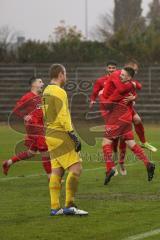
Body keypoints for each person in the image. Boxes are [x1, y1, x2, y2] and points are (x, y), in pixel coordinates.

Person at [42, 64, 88, 216]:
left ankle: (55, 207)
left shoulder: (46, 91)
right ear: (61, 74)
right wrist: (73, 135)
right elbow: (63, 116)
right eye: (65, 74)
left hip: (49, 133)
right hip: (61, 134)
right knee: (76, 168)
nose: (66, 76)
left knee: (57, 170)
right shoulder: (59, 91)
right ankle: (69, 205)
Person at [102, 67, 155, 185]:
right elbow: (135, 92)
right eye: (120, 74)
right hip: (127, 118)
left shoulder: (120, 89)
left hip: (117, 118)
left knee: (105, 143)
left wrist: (102, 96)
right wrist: (134, 97)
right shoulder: (131, 85)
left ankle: (110, 168)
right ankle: (148, 163)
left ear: (129, 77)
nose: (120, 76)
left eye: (123, 75)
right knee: (131, 143)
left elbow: (108, 104)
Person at [2, 77, 51, 180]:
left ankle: (8, 162)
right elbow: (16, 109)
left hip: (38, 128)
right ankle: (51, 177)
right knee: (46, 152)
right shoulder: (28, 96)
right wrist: (24, 116)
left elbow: (39, 113)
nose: (43, 83)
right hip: (34, 128)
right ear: (33, 85)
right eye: (40, 82)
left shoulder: (39, 97)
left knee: (31, 153)